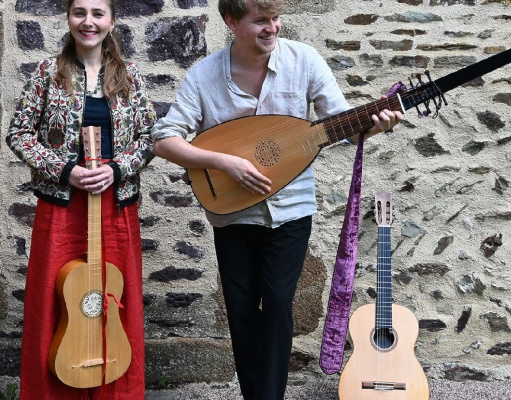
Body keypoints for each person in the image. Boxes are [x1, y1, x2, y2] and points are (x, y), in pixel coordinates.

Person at [151, 0, 404, 398]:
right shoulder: (203, 76)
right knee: (241, 307)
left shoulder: (304, 61)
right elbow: (165, 140)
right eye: (261, 21)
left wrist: (376, 127)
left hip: (291, 209)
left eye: (275, 19)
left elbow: (343, 126)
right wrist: (225, 163)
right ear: (231, 21)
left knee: (279, 303)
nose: (273, 28)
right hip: (231, 214)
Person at [5, 0, 156, 398]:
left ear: (111, 20)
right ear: (69, 17)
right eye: (79, 12)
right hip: (62, 206)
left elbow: (150, 139)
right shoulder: (46, 74)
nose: (88, 22)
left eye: (97, 13)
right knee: (54, 301)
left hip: (115, 205)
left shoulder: (131, 77)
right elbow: (18, 134)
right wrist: (64, 169)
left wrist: (118, 168)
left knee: (113, 302)